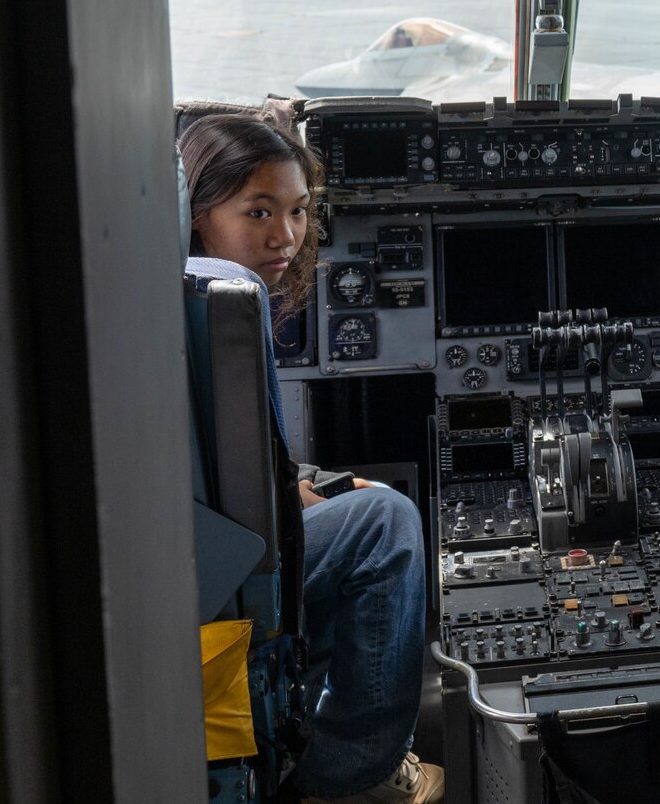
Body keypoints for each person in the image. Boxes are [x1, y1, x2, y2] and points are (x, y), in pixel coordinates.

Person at [179, 114, 442, 804]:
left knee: (347, 491)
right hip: (218, 576)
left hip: (208, 548)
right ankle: (353, 769)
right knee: (383, 521)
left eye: (299, 212)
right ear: (199, 213)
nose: (285, 236)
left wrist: (298, 486)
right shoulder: (223, 304)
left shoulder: (177, 294)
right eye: (258, 211)